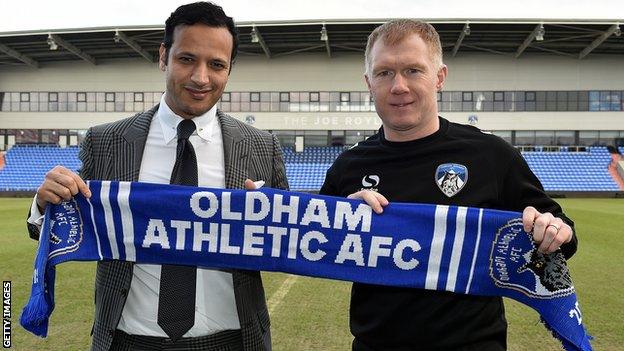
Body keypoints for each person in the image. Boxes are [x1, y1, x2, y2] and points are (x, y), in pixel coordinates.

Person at [26, 2, 288, 350]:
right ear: (164, 56)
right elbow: (70, 223)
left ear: (230, 69)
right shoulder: (106, 141)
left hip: (233, 341)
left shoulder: (261, 146)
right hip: (128, 341)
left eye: (216, 65)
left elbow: (292, 237)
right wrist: (46, 205)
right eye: (186, 59)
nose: (200, 77)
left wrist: (352, 215)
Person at [319, 19, 577, 351]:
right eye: (384, 73)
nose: (399, 86)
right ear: (369, 82)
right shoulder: (349, 166)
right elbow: (314, 248)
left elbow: (563, 235)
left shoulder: (491, 155)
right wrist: (342, 217)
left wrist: (553, 231)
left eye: (413, 70)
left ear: (439, 77)